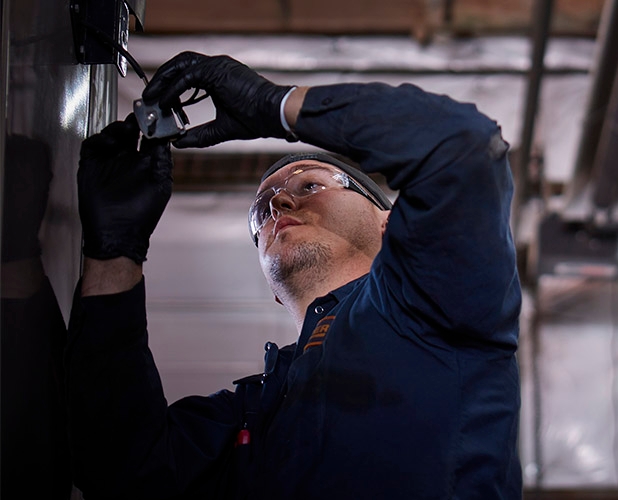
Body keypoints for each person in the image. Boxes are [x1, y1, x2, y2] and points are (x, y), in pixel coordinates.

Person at [66, 52, 522, 499]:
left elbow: (462, 146)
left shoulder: (432, 299)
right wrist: (114, 253)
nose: (278, 206)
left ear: (388, 224)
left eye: (311, 185)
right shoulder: (254, 411)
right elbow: (123, 468)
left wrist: (274, 106)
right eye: (260, 212)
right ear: (273, 290)